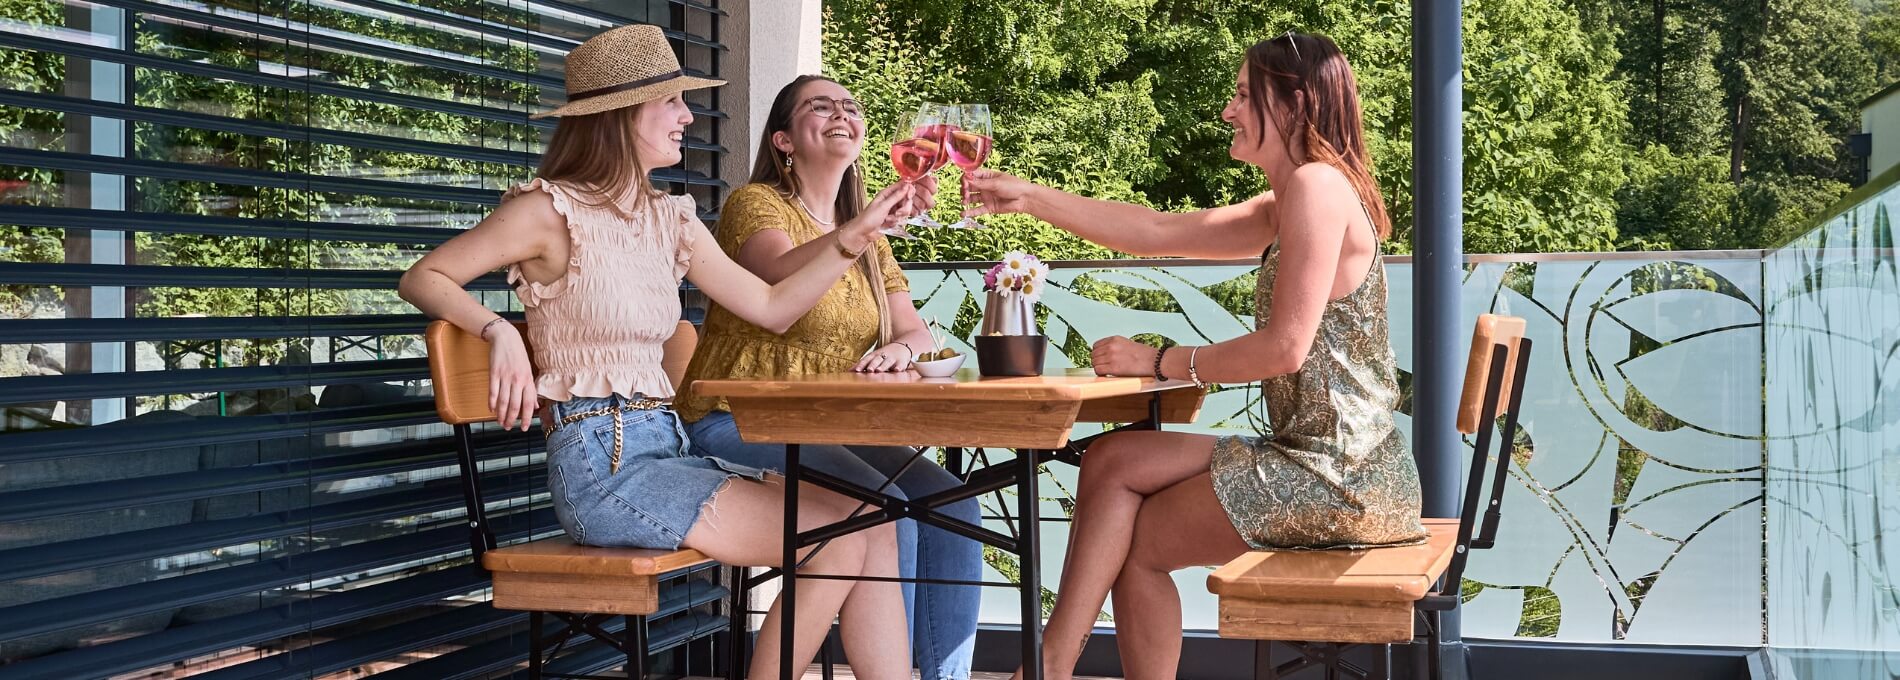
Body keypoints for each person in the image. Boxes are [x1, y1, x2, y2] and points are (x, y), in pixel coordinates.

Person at [397, 25, 927, 680]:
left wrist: (858, 232)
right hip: (602, 468)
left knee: (869, 522)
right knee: (841, 534)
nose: (687, 116)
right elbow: (424, 277)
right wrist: (500, 330)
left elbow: (772, 307)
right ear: (621, 114)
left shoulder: (669, 217)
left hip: (669, 449)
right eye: (672, 102)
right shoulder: (547, 212)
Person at [962, 33, 1428, 680]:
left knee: (1137, 543)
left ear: (1294, 104)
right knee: (1113, 458)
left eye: (1242, 95)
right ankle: (1046, 666)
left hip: (1342, 477)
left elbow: (1284, 349)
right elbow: (1155, 231)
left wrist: (1159, 362)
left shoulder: (1318, 189)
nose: (1227, 111)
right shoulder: (1295, 196)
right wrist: (1031, 197)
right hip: (1316, 456)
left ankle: (1045, 667)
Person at [674, 75, 983, 680]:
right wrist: (860, 229)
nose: (841, 113)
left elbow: (915, 331)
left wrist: (901, 350)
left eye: (850, 106)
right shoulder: (755, 205)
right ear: (784, 139)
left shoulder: (868, 236)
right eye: (821, 106)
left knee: (954, 502)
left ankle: (945, 675)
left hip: (832, 424)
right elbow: (777, 282)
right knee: (887, 505)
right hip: (737, 420)